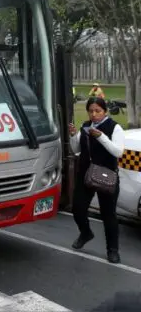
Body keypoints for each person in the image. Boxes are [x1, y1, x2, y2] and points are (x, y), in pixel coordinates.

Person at [69, 97, 125, 264]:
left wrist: (101, 136)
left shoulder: (115, 127)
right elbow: (77, 150)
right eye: (91, 111)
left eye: (97, 111)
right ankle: (85, 233)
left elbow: (118, 152)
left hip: (106, 175)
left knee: (108, 215)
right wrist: (73, 136)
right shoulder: (85, 126)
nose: (94, 115)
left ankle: (112, 250)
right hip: (86, 174)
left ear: (105, 111)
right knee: (78, 209)